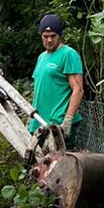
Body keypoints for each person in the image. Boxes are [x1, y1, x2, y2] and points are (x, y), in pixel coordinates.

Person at [30, 12, 85, 146]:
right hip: (39, 123)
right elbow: (38, 88)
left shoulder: (68, 54)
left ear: (60, 35)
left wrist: (68, 120)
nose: (49, 40)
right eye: (45, 36)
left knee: (59, 159)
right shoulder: (42, 57)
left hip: (57, 125)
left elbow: (78, 90)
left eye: (53, 36)